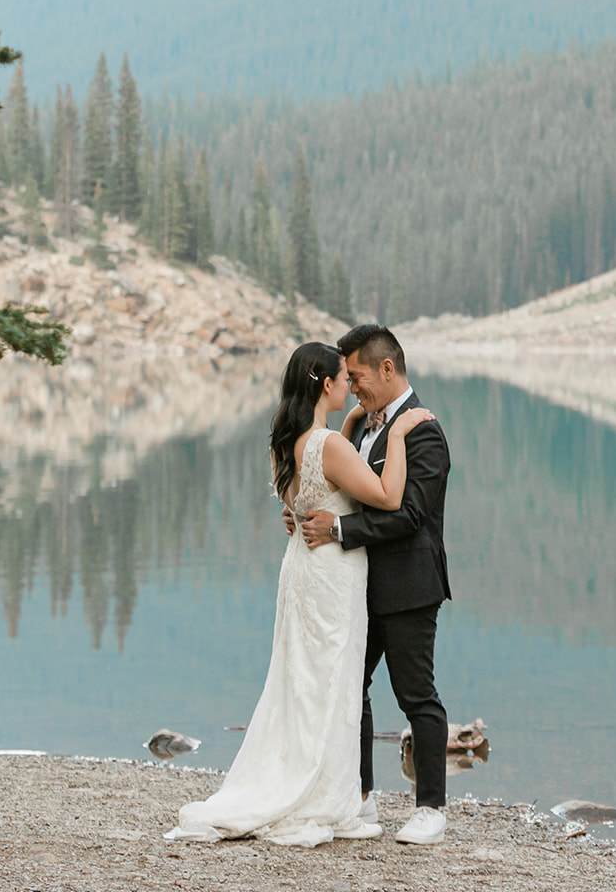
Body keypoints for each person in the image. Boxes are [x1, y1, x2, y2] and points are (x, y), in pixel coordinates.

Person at [167, 340, 432, 847]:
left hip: (301, 570)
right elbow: (389, 496)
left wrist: (352, 426)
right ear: (327, 385)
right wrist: (397, 433)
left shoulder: (284, 442)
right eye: (344, 378)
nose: (351, 386)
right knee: (332, 678)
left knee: (303, 679)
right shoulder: (329, 445)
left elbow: (310, 493)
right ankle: (326, 795)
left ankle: (326, 785)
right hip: (333, 573)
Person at [299, 324, 453, 846]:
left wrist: (338, 530)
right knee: (352, 689)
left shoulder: (424, 430)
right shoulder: (362, 425)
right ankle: (360, 797)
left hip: (410, 587)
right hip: (358, 585)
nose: (354, 385)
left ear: (388, 369)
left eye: (358, 376)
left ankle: (431, 808)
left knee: (417, 695)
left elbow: (411, 515)